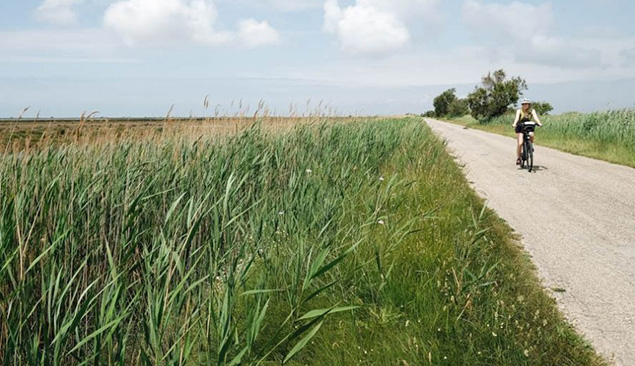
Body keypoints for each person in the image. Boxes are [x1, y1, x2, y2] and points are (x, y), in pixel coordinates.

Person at [512, 98, 543, 165]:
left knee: (531, 135)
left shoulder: (532, 111)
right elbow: (517, 118)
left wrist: (539, 123)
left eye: (526, 104)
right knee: (520, 143)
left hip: (528, 126)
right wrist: (514, 124)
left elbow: (535, 117)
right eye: (523, 104)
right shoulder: (519, 111)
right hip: (520, 126)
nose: (525, 105)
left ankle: (529, 145)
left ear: (529, 105)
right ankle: (518, 158)